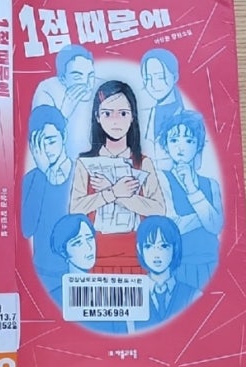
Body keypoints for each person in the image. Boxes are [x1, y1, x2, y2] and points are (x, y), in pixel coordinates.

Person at [69, 80, 165, 274]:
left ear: (132, 117)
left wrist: (118, 195)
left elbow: (159, 209)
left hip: (137, 252)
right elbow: (75, 209)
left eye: (122, 114)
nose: (115, 121)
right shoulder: (85, 163)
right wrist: (112, 192)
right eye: (107, 113)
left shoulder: (143, 163)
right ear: (97, 116)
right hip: (95, 253)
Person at [156, 110, 223, 290]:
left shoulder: (211, 184)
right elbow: (173, 226)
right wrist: (206, 217)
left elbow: (217, 226)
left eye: (189, 141)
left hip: (212, 261)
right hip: (179, 265)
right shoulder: (161, 179)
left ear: (198, 145)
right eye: (174, 140)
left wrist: (192, 189)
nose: (181, 147)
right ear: (166, 145)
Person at [21, 105, 73, 291]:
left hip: (78, 273)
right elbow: (26, 229)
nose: (46, 150)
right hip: (42, 275)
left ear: (63, 137)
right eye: (39, 144)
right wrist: (42, 175)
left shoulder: (80, 173)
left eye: (51, 141)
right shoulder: (32, 179)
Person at [134, 215, 199, 331]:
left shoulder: (193, 295)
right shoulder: (130, 295)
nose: (156, 254)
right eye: (149, 246)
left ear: (175, 247)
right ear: (139, 249)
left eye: (163, 246)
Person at [31, 44, 96, 158]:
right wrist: (63, 113)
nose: (87, 84)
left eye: (91, 76)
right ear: (62, 79)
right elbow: (41, 142)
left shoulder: (101, 88)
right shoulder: (47, 90)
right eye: (78, 77)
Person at [140, 48, 184, 168]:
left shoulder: (189, 117)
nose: (153, 85)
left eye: (160, 77)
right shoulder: (144, 116)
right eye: (147, 79)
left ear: (175, 77)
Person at [47, 213, 97, 308]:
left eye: (90, 238)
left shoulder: (103, 291)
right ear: (63, 252)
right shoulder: (54, 298)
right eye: (77, 242)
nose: (89, 247)